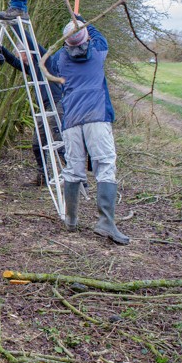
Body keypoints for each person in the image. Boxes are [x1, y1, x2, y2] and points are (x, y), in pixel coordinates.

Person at [45, 16, 129, 245]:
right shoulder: (98, 52)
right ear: (87, 37)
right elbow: (100, 38)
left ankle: (71, 220)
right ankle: (105, 223)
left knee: (73, 169)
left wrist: (70, 28)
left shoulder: (58, 60)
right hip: (96, 117)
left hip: (71, 120)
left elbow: (56, 54)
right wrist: (83, 22)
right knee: (105, 165)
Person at [0, 28, 64, 186]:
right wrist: (1, 49)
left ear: (28, 52)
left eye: (22, 56)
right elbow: (15, 62)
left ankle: (74, 177)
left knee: (59, 142)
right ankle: (42, 176)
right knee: (38, 143)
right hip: (44, 107)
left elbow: (31, 43)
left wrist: (16, 26)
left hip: (57, 104)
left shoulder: (44, 60)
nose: (22, 60)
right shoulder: (32, 67)